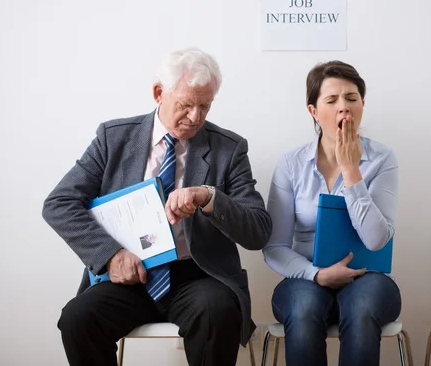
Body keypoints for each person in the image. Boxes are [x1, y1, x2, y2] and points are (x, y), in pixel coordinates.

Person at [43, 47, 272, 366]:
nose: (195, 117)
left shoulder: (229, 149)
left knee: (217, 311)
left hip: (198, 276)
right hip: (129, 275)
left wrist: (209, 197)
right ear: (158, 93)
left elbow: (258, 231)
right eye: (186, 105)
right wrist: (110, 254)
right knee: (77, 319)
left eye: (204, 106)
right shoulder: (113, 138)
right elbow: (59, 203)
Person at [263, 61, 401, 366]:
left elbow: (377, 239)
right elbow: (274, 248)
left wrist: (351, 170)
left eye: (352, 99)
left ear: (363, 104)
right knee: (302, 311)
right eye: (332, 100)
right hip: (306, 276)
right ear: (313, 110)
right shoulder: (291, 164)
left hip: (369, 278)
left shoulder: (382, 159)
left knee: (362, 309)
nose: (344, 108)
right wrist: (318, 274)